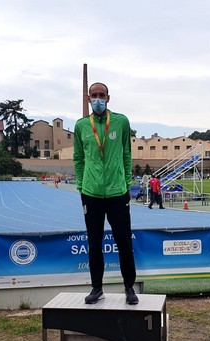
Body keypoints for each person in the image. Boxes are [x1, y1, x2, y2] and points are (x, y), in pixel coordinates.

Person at [74, 82, 138, 305]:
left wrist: (126, 184)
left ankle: (129, 287)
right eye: (94, 95)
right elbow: (79, 159)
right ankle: (96, 288)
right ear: (88, 98)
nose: (98, 98)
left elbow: (127, 155)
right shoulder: (82, 126)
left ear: (108, 98)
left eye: (102, 95)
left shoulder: (121, 122)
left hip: (117, 193)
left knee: (123, 242)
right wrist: (82, 186)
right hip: (91, 194)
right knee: (94, 243)